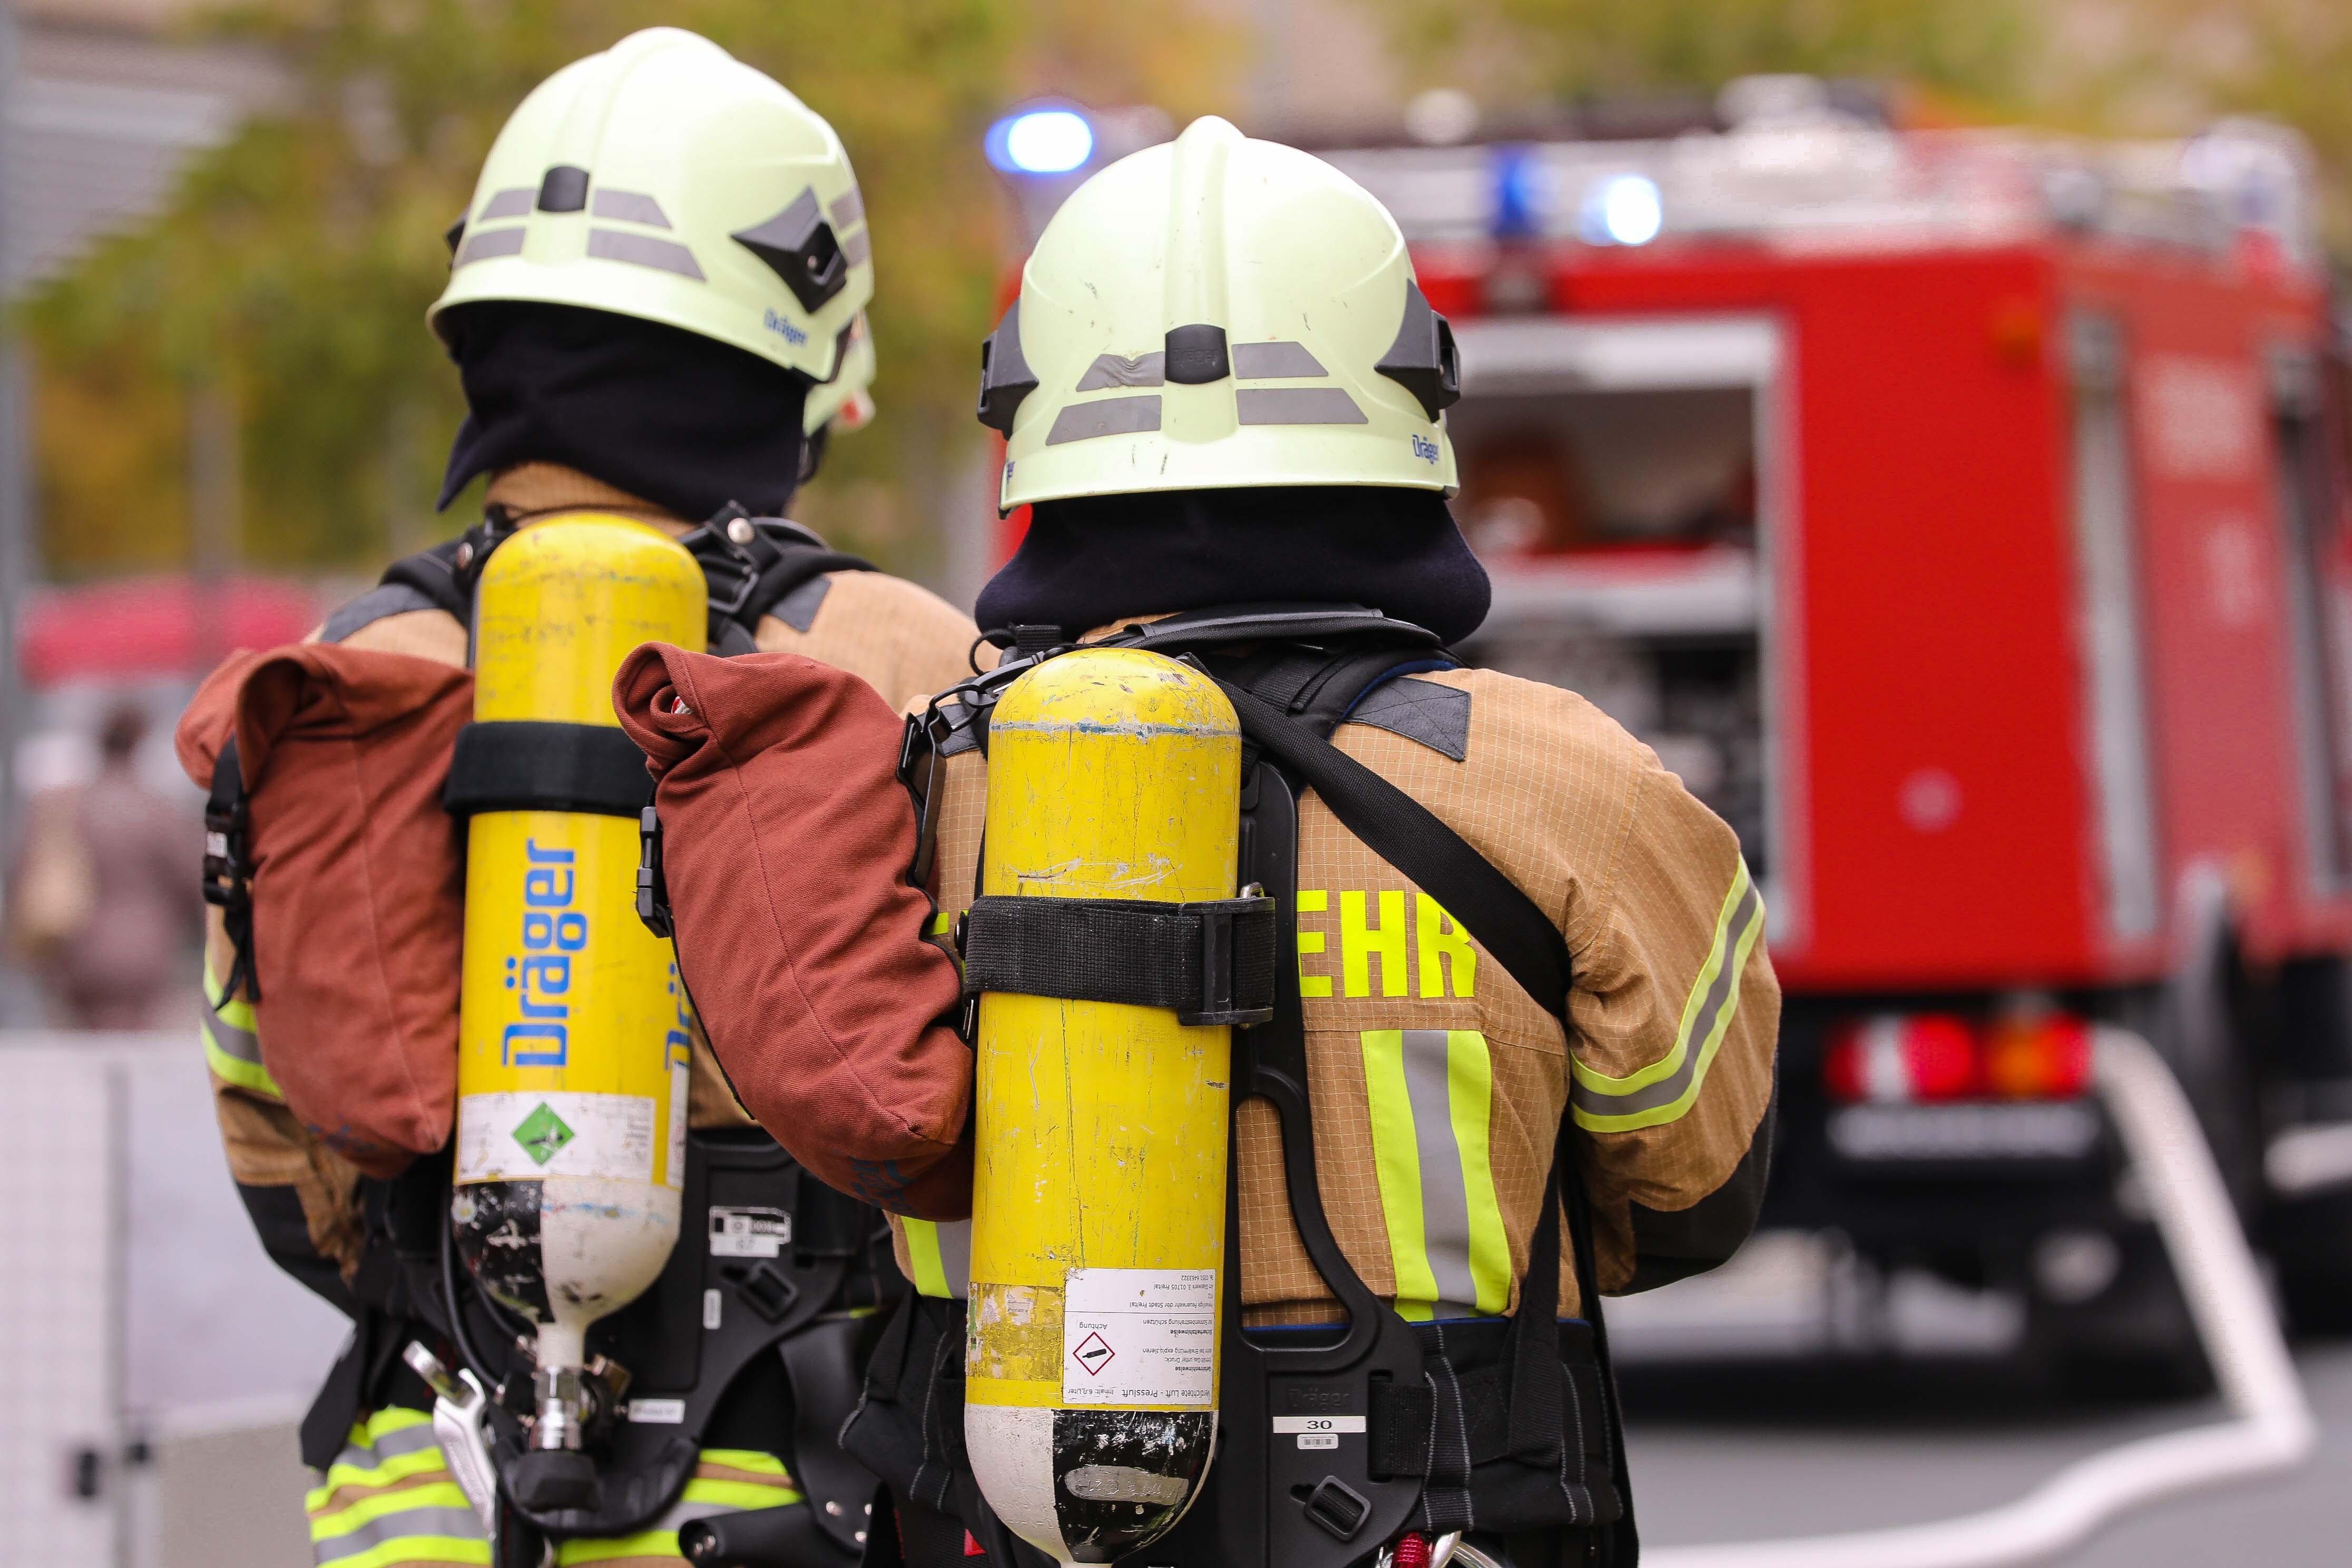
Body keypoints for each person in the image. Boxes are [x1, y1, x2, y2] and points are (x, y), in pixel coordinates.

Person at [626, 116, 1780, 1568]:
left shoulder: (913, 774)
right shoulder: (1563, 780)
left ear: (1030, 431)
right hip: (1443, 1518)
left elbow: (811, 1123)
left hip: (991, 1513)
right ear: (1410, 407)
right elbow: (1696, 1179)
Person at [193, 28, 982, 1568]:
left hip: (434, 1498)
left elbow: (274, 1125)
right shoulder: (904, 655)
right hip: (805, 1482)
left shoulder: (353, 670)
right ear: (786, 350)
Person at [7, 702, 198, 1029]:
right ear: (139, 743)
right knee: (131, 1047)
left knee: (85, 1047)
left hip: (73, 947)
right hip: (145, 950)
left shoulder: (66, 807)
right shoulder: (158, 810)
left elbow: (21, 869)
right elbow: (192, 879)